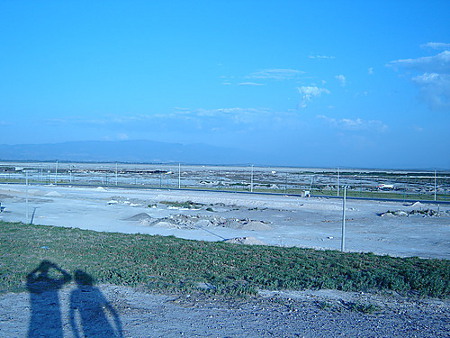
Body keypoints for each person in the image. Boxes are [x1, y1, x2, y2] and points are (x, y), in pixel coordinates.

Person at [70, 270, 123, 337]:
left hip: (86, 323)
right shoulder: (96, 290)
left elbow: (72, 314)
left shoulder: (74, 292)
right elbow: (110, 308)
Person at [26, 260, 71, 338]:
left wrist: (37, 269)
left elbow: (29, 276)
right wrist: (57, 268)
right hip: (53, 314)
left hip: (37, 314)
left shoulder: (35, 284)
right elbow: (68, 277)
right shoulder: (54, 283)